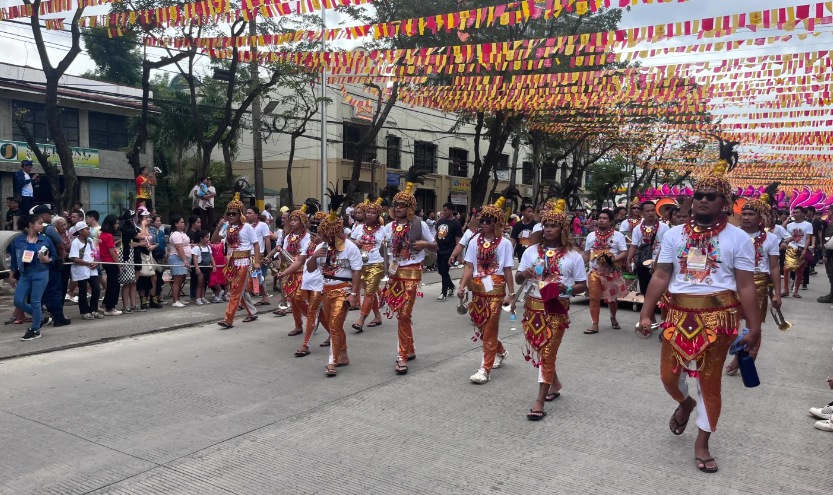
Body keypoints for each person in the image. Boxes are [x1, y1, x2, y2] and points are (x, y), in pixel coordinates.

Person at [637, 138, 761, 474]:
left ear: (725, 202)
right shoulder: (675, 234)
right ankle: (684, 403)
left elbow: (747, 286)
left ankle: (702, 442)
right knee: (668, 377)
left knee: (710, 381)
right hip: (676, 314)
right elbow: (662, 275)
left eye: (712, 196)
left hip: (719, 317)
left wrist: (754, 328)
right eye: (699, 195)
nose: (703, 200)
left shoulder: (739, 239)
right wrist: (647, 312)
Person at [515, 199, 587, 421]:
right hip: (532, 306)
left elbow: (582, 286)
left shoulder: (574, 256)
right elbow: (518, 278)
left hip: (556, 307)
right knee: (541, 349)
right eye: (545, 225)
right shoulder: (530, 252)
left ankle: (539, 400)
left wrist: (567, 287)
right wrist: (524, 274)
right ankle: (554, 383)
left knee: (547, 353)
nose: (547, 229)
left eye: (553, 225)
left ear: (563, 229)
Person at [456, 187, 517, 384]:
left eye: (488, 221)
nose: (483, 223)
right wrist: (462, 286)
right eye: (481, 220)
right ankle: (500, 351)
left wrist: (511, 294)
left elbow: (507, 269)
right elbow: (469, 266)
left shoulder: (505, 243)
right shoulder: (474, 241)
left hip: (496, 290)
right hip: (477, 289)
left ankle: (485, 369)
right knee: (480, 325)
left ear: (497, 223)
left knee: (490, 328)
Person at [382, 166, 438, 375]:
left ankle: (402, 356)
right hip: (395, 274)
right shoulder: (388, 227)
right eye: (396, 205)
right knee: (401, 314)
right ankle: (410, 348)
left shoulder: (419, 224)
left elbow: (435, 245)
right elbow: (384, 251)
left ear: (410, 206)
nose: (397, 208)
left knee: (405, 313)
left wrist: (424, 244)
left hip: (412, 272)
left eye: (402, 205)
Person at [724, 186, 782, 376]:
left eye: (750, 214)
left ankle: (742, 360)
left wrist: (778, 294)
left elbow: (774, 267)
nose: (746, 217)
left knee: (752, 325)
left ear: (761, 219)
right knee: (728, 322)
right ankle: (731, 353)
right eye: (744, 213)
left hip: (757, 282)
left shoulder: (771, 239)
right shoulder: (731, 234)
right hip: (731, 280)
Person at [307, 192, 362, 377]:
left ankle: (332, 362)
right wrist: (314, 257)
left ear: (339, 232)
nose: (329, 239)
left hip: (343, 290)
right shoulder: (320, 247)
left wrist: (353, 294)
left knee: (336, 324)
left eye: (331, 235)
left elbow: (357, 271)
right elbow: (310, 268)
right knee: (333, 325)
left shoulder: (351, 247)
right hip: (325, 289)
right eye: (326, 235)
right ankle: (344, 354)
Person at [215, 188, 262, 328]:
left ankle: (228, 319)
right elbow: (214, 239)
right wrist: (218, 228)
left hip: (243, 262)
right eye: (228, 213)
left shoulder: (247, 227)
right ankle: (252, 312)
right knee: (239, 289)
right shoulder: (227, 227)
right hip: (230, 262)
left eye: (233, 214)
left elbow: (256, 244)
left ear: (240, 214)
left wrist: (257, 262)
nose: (230, 216)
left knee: (235, 290)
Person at [582, 209, 628, 334]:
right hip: (594, 272)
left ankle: (613, 317)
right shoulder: (591, 236)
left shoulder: (618, 236)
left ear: (611, 221)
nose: (601, 220)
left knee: (612, 299)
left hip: (611, 272)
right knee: (594, 298)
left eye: (604, 218)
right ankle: (594, 324)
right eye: (600, 218)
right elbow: (586, 254)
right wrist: (580, 266)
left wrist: (613, 260)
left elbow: (624, 252)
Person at [10, 213, 56, 340]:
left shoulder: (45, 240)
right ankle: (40, 317)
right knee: (18, 301)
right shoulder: (18, 240)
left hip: (41, 272)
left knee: (35, 301)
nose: (42, 226)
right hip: (25, 273)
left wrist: (48, 260)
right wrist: (12, 275)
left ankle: (35, 329)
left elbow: (54, 256)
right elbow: (14, 259)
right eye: (39, 223)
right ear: (31, 225)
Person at [291, 210, 331, 356]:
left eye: (320, 224)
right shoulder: (308, 241)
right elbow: (301, 261)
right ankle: (334, 333)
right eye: (314, 224)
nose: (317, 227)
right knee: (303, 304)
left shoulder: (331, 243)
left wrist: (323, 244)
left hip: (320, 283)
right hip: (307, 281)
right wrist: (286, 272)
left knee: (313, 312)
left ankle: (305, 344)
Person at [272, 200, 314, 334]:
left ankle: (312, 319)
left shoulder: (307, 237)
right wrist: (280, 252)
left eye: (295, 220)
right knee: (293, 300)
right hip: (290, 270)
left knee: (299, 298)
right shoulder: (288, 237)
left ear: (302, 223)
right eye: (291, 220)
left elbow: (307, 256)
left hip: (303, 271)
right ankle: (298, 325)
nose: (291, 222)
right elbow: (283, 256)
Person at [626, 200, 669, 328]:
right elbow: (634, 246)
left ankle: (665, 321)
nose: (650, 213)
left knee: (664, 293)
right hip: (643, 263)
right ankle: (652, 320)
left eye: (652, 210)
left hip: (661, 264)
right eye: (647, 211)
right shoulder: (638, 229)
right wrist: (629, 261)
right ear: (642, 212)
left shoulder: (664, 227)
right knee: (646, 291)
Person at [351, 196, 386, 332]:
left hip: (376, 264)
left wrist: (385, 245)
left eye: (373, 212)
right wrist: (356, 243)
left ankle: (361, 320)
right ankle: (377, 316)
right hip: (360, 264)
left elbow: (388, 247)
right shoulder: (359, 228)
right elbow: (349, 240)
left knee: (369, 293)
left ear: (378, 215)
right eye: (368, 212)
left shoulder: (383, 230)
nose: (370, 214)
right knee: (369, 292)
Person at [34, 205, 70, 327]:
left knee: (41, 292)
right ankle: (58, 317)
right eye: (49, 214)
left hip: (36, 265)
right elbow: (60, 245)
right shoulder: (49, 229)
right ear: (43, 215)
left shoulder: (29, 228)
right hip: (51, 263)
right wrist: (61, 258)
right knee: (55, 291)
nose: (51, 216)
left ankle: (40, 318)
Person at [69, 221, 102, 320]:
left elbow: (95, 253)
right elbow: (74, 258)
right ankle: (84, 311)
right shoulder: (75, 243)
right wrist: (88, 263)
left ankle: (94, 309)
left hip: (92, 269)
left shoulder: (90, 241)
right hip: (82, 269)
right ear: (80, 231)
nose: (89, 231)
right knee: (83, 291)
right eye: (87, 229)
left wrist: (95, 262)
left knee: (96, 288)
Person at [782, 206, 813, 299]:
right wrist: (787, 219)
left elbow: (808, 239)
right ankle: (786, 289)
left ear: (803, 214)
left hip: (801, 249)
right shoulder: (789, 225)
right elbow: (783, 231)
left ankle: (795, 291)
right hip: (791, 248)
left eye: (797, 212)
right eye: (794, 212)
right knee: (786, 269)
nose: (795, 214)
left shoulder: (808, 225)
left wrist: (805, 250)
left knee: (800, 270)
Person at [435, 202, 463, 300]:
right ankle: (451, 286)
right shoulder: (441, 221)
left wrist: (458, 255)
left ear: (451, 211)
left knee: (444, 270)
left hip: (450, 251)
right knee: (441, 271)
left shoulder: (456, 223)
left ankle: (444, 293)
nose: (443, 212)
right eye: (443, 210)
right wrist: (435, 244)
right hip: (440, 249)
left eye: (445, 210)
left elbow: (458, 240)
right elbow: (436, 233)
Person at [247, 206, 272, 305]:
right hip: (246, 254)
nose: (247, 215)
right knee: (256, 277)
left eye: (250, 213)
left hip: (258, 254)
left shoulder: (262, 225)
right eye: (247, 213)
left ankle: (245, 300)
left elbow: (267, 240)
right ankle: (265, 297)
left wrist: (269, 256)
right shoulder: (245, 225)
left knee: (252, 277)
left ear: (256, 215)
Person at [136, 212, 161, 310]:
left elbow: (158, 242)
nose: (148, 219)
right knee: (142, 278)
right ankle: (143, 301)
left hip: (151, 254)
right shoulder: (137, 228)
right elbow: (139, 240)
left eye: (149, 217)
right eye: (146, 217)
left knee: (153, 277)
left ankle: (153, 299)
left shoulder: (153, 229)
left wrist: (154, 246)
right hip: (141, 254)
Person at [98, 215, 122, 316]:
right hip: (111, 262)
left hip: (105, 262)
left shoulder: (102, 235)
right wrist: (119, 265)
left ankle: (104, 304)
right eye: (116, 223)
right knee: (114, 285)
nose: (117, 225)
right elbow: (112, 252)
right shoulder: (108, 236)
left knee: (111, 284)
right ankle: (110, 307)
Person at [119, 212, 141, 313]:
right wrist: (144, 225)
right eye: (134, 218)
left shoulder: (136, 228)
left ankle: (134, 305)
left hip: (137, 255)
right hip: (128, 256)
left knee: (134, 282)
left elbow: (147, 240)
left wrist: (139, 243)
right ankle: (125, 306)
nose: (136, 219)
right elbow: (143, 236)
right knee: (128, 282)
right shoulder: (126, 229)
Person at [167, 215, 191, 308]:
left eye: (183, 222)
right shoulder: (176, 234)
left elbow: (184, 245)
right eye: (181, 222)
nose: (183, 223)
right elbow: (179, 247)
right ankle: (175, 300)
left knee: (182, 279)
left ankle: (178, 298)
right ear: (176, 224)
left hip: (183, 259)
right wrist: (185, 260)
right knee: (177, 280)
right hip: (177, 258)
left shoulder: (182, 233)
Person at [191, 230, 214, 305]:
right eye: (206, 237)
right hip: (200, 267)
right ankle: (198, 298)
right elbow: (195, 258)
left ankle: (203, 297)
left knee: (204, 283)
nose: (208, 239)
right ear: (201, 238)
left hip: (207, 268)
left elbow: (211, 257)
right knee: (199, 284)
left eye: (208, 237)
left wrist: (214, 265)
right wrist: (197, 268)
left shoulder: (208, 247)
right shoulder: (196, 248)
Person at [150, 215, 167, 304]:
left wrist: (166, 251)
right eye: (157, 221)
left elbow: (164, 243)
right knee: (154, 278)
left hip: (161, 256)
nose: (159, 222)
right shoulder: (150, 231)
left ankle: (159, 296)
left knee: (160, 277)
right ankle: (154, 297)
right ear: (152, 222)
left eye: (160, 221)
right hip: (153, 255)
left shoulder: (161, 232)